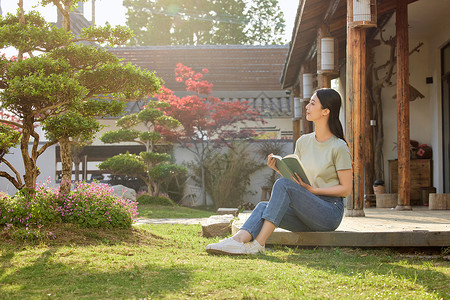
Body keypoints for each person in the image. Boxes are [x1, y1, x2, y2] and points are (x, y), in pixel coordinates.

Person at [205, 88, 353, 255]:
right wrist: (279, 168)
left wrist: (313, 190)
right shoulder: (303, 142)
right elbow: (295, 181)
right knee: (263, 207)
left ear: (326, 111)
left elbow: (346, 189)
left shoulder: (338, 146)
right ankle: (237, 241)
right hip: (306, 210)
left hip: (328, 212)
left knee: (282, 185)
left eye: (313, 103)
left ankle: (258, 244)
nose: (307, 107)